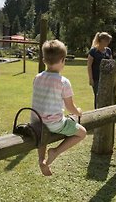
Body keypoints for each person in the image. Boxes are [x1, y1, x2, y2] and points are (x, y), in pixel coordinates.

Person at [31, 39, 86, 176]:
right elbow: (70, 107)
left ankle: (41, 160)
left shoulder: (37, 77)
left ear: (44, 60)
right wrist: (78, 112)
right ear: (63, 60)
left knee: (42, 134)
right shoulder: (63, 82)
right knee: (82, 133)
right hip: (54, 124)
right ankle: (55, 151)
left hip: (36, 122)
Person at [87, 32, 113, 109]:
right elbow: (89, 66)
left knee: (107, 96)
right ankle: (97, 113)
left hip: (107, 78)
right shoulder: (93, 51)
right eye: (106, 41)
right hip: (96, 78)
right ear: (101, 40)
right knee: (98, 96)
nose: (108, 43)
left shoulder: (108, 51)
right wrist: (90, 79)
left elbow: (111, 63)